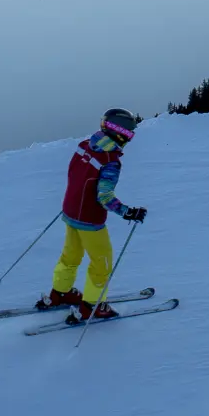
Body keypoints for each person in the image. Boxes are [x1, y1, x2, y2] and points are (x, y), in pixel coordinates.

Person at [38, 109, 147, 322]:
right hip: (89, 219)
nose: (130, 138)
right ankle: (91, 306)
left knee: (70, 256)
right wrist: (128, 212)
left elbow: (74, 175)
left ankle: (60, 293)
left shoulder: (84, 146)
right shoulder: (110, 160)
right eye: (130, 133)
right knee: (101, 263)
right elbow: (105, 197)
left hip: (70, 212)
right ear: (119, 133)